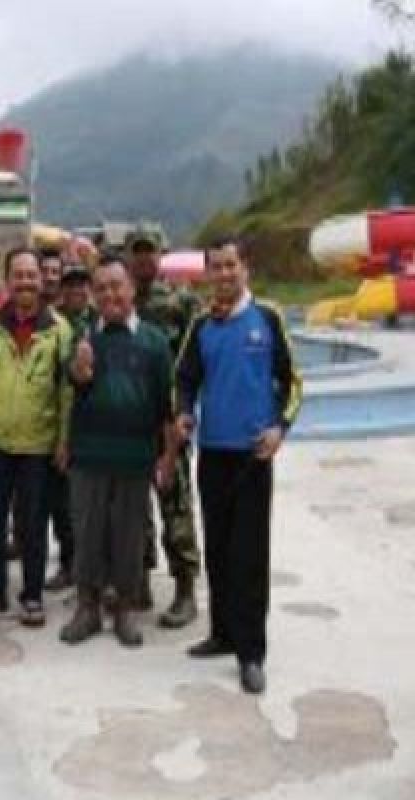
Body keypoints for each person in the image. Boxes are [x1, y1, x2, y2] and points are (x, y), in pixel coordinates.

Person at [177, 237, 302, 694]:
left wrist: (280, 428)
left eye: (232, 265)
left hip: (252, 457)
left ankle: (251, 654)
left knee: (250, 555)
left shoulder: (267, 319)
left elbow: (293, 382)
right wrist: (184, 412)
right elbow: (184, 380)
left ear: (244, 268)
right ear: (208, 273)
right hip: (212, 455)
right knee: (219, 550)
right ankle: (222, 634)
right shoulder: (200, 326)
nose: (225, 274)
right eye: (217, 267)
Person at [59, 256, 176, 648]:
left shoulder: (155, 343)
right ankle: (87, 608)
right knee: (87, 534)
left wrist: (167, 457)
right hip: (89, 457)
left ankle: (125, 608)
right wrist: (79, 370)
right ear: (93, 294)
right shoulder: (84, 338)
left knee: (129, 536)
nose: (110, 294)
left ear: (131, 291)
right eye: (102, 288)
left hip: (135, 459)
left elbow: (166, 409)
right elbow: (71, 382)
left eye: (117, 286)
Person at [0, 249, 73, 623]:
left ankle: (31, 595)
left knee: (33, 525)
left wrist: (63, 439)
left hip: (39, 447)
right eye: (19, 275)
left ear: (41, 281)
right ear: (8, 281)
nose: (25, 281)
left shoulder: (59, 331)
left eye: (31, 275)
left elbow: (66, 392)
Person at [128, 230, 203, 626]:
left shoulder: (182, 301)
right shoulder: (119, 302)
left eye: (149, 252)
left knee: (175, 506)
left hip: (168, 422)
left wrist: (187, 411)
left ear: (162, 253)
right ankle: (137, 582)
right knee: (133, 509)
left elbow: (198, 360)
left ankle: (185, 589)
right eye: (136, 252)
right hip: (130, 426)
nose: (142, 260)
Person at [44, 263, 96, 591]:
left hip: (95, 425)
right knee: (61, 504)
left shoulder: (101, 319)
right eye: (70, 285)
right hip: (60, 423)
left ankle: (94, 571)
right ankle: (67, 564)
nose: (76, 290)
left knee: (94, 504)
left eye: (82, 284)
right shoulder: (52, 321)